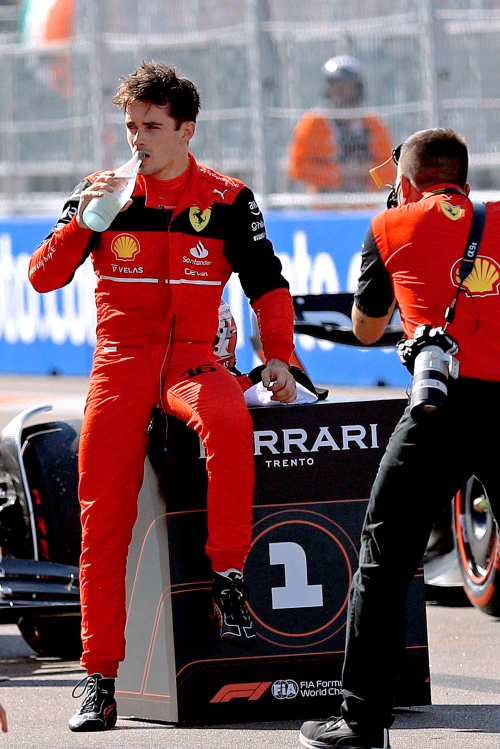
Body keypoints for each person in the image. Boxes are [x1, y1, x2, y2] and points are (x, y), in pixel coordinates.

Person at [29, 60, 297, 733]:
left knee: (231, 422)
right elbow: (41, 277)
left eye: (150, 126)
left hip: (192, 363)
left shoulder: (229, 199)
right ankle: (98, 679)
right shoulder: (103, 189)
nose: (136, 139)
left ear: (185, 128)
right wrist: (86, 223)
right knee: (102, 518)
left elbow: (268, 284)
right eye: (129, 126)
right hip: (117, 365)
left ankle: (229, 581)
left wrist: (281, 356)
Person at [299, 127, 500, 748]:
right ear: (464, 179)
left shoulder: (389, 225)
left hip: (439, 408)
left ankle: (363, 721)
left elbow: (364, 328)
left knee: (383, 561)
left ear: (406, 182)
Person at [287, 55, 394, 198]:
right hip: (326, 208)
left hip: (364, 206)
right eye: (337, 87)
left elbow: (389, 170)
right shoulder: (314, 123)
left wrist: (365, 173)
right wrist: (338, 174)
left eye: (348, 87)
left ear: (358, 89)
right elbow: (297, 168)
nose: (342, 94)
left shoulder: (373, 123)